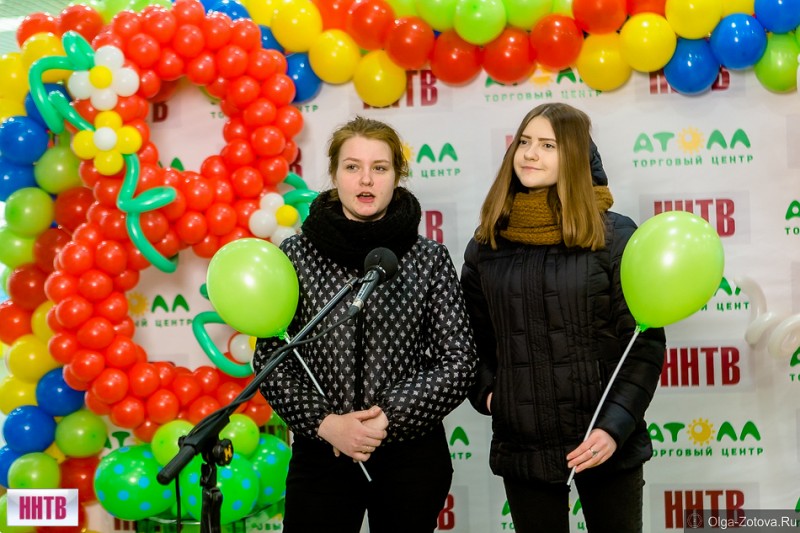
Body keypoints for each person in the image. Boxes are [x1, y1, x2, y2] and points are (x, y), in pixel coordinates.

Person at [253, 116, 477, 533]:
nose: (366, 180)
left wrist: (386, 418)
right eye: (352, 166)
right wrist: (327, 424)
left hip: (410, 458)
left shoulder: (428, 258)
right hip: (322, 454)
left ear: (398, 175)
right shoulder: (296, 255)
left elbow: (459, 361)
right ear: (334, 173)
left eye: (380, 167)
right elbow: (271, 358)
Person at [460, 102, 666, 533]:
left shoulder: (615, 236)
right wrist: (493, 396)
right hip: (525, 447)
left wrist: (613, 428)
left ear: (573, 155)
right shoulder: (487, 245)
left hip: (605, 445)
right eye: (525, 142)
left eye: (548, 145)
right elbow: (471, 340)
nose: (530, 154)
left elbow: (642, 346)